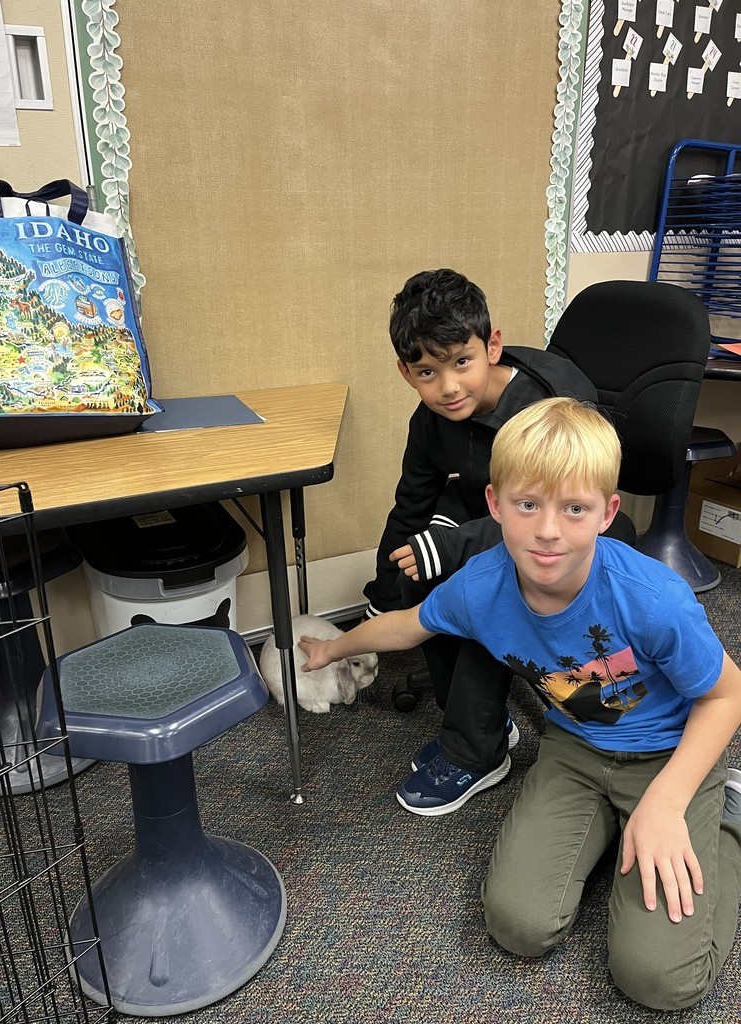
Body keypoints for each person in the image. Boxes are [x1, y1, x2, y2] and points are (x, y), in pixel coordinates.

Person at [300, 397, 741, 1011]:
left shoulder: (652, 597)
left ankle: (727, 821)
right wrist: (331, 649)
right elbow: (405, 626)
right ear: (495, 504)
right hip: (575, 749)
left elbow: (727, 694)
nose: (548, 530)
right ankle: (618, 825)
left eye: (575, 508)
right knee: (517, 926)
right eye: (527, 504)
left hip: (669, 754)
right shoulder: (481, 587)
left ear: (608, 513)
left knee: (658, 981)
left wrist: (667, 802)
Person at [363, 268, 634, 816]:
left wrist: (455, 549)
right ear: (406, 372)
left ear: (492, 347)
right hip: (489, 512)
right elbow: (411, 504)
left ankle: (476, 751)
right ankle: (481, 726)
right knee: (420, 573)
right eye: (427, 372)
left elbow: (551, 513)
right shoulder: (431, 419)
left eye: (461, 362)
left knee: (486, 589)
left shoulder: (546, 406)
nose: (448, 386)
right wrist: (385, 590)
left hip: (563, 523)